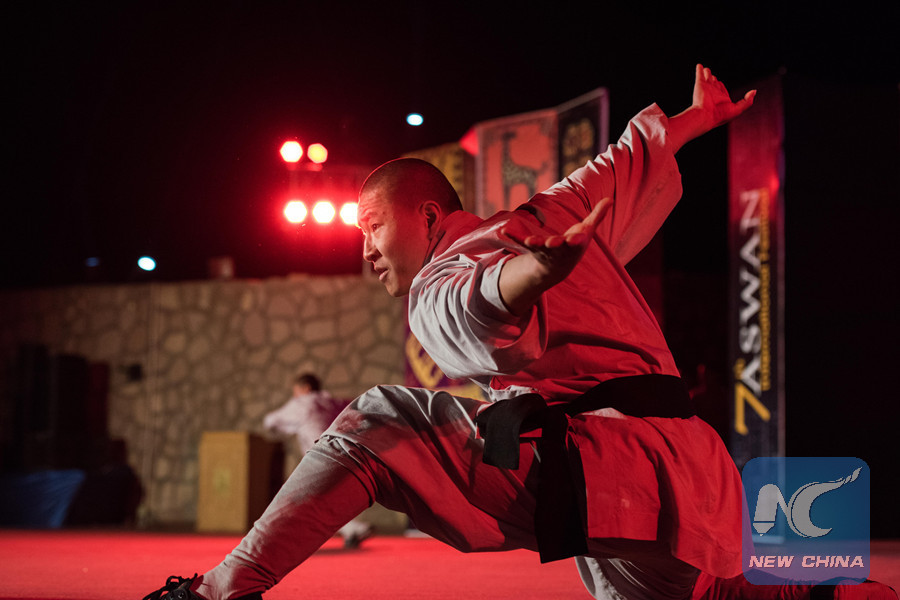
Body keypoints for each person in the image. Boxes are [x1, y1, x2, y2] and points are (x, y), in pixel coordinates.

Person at [143, 65, 895, 600]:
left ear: (428, 216)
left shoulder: (448, 274)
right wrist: (693, 120)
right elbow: (619, 165)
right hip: (693, 471)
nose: (365, 249)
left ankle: (218, 591)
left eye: (372, 227)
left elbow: (478, 302)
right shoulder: (548, 215)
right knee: (723, 596)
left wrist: (533, 274)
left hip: (614, 471)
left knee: (377, 422)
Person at [261, 373, 373, 549]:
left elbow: (271, 420)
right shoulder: (332, 402)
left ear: (305, 388)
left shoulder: (303, 403)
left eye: (296, 391)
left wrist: (274, 428)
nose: (294, 395)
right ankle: (353, 529)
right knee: (322, 502)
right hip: (342, 455)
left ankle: (273, 540)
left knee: (296, 499)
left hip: (318, 458)